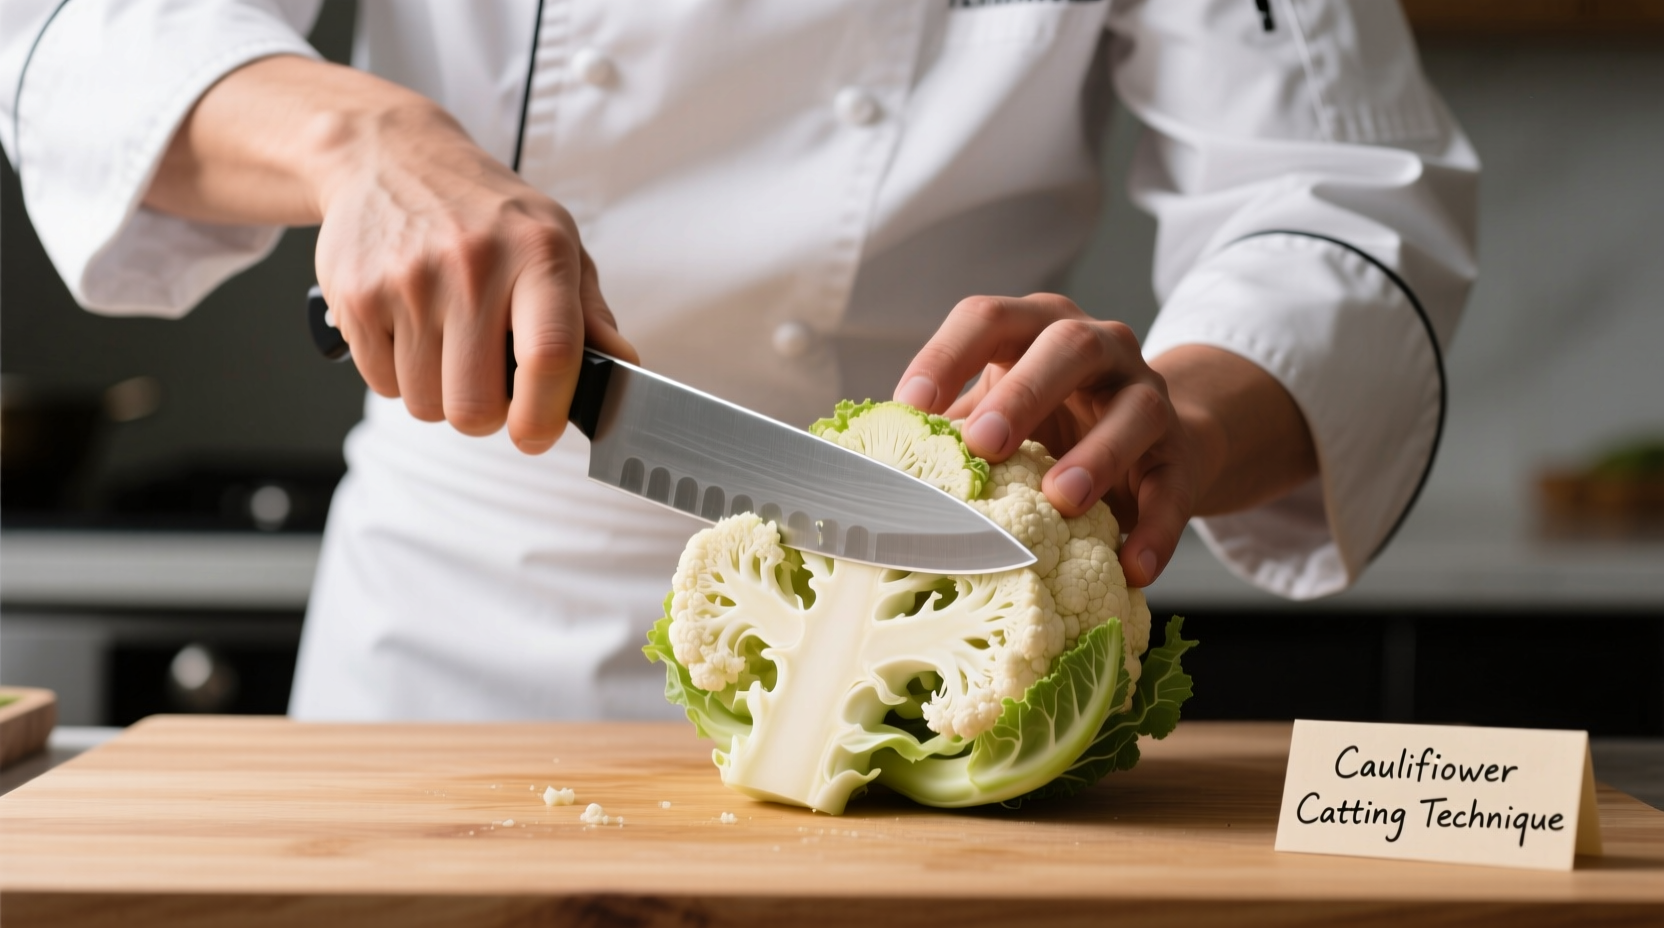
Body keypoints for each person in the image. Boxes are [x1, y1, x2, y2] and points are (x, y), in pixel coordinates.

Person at [1, 1, 1477, 721]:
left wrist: (1188, 427)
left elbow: (1338, 194)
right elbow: (72, 30)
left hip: (928, 633)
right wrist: (359, 139)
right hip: (454, 645)